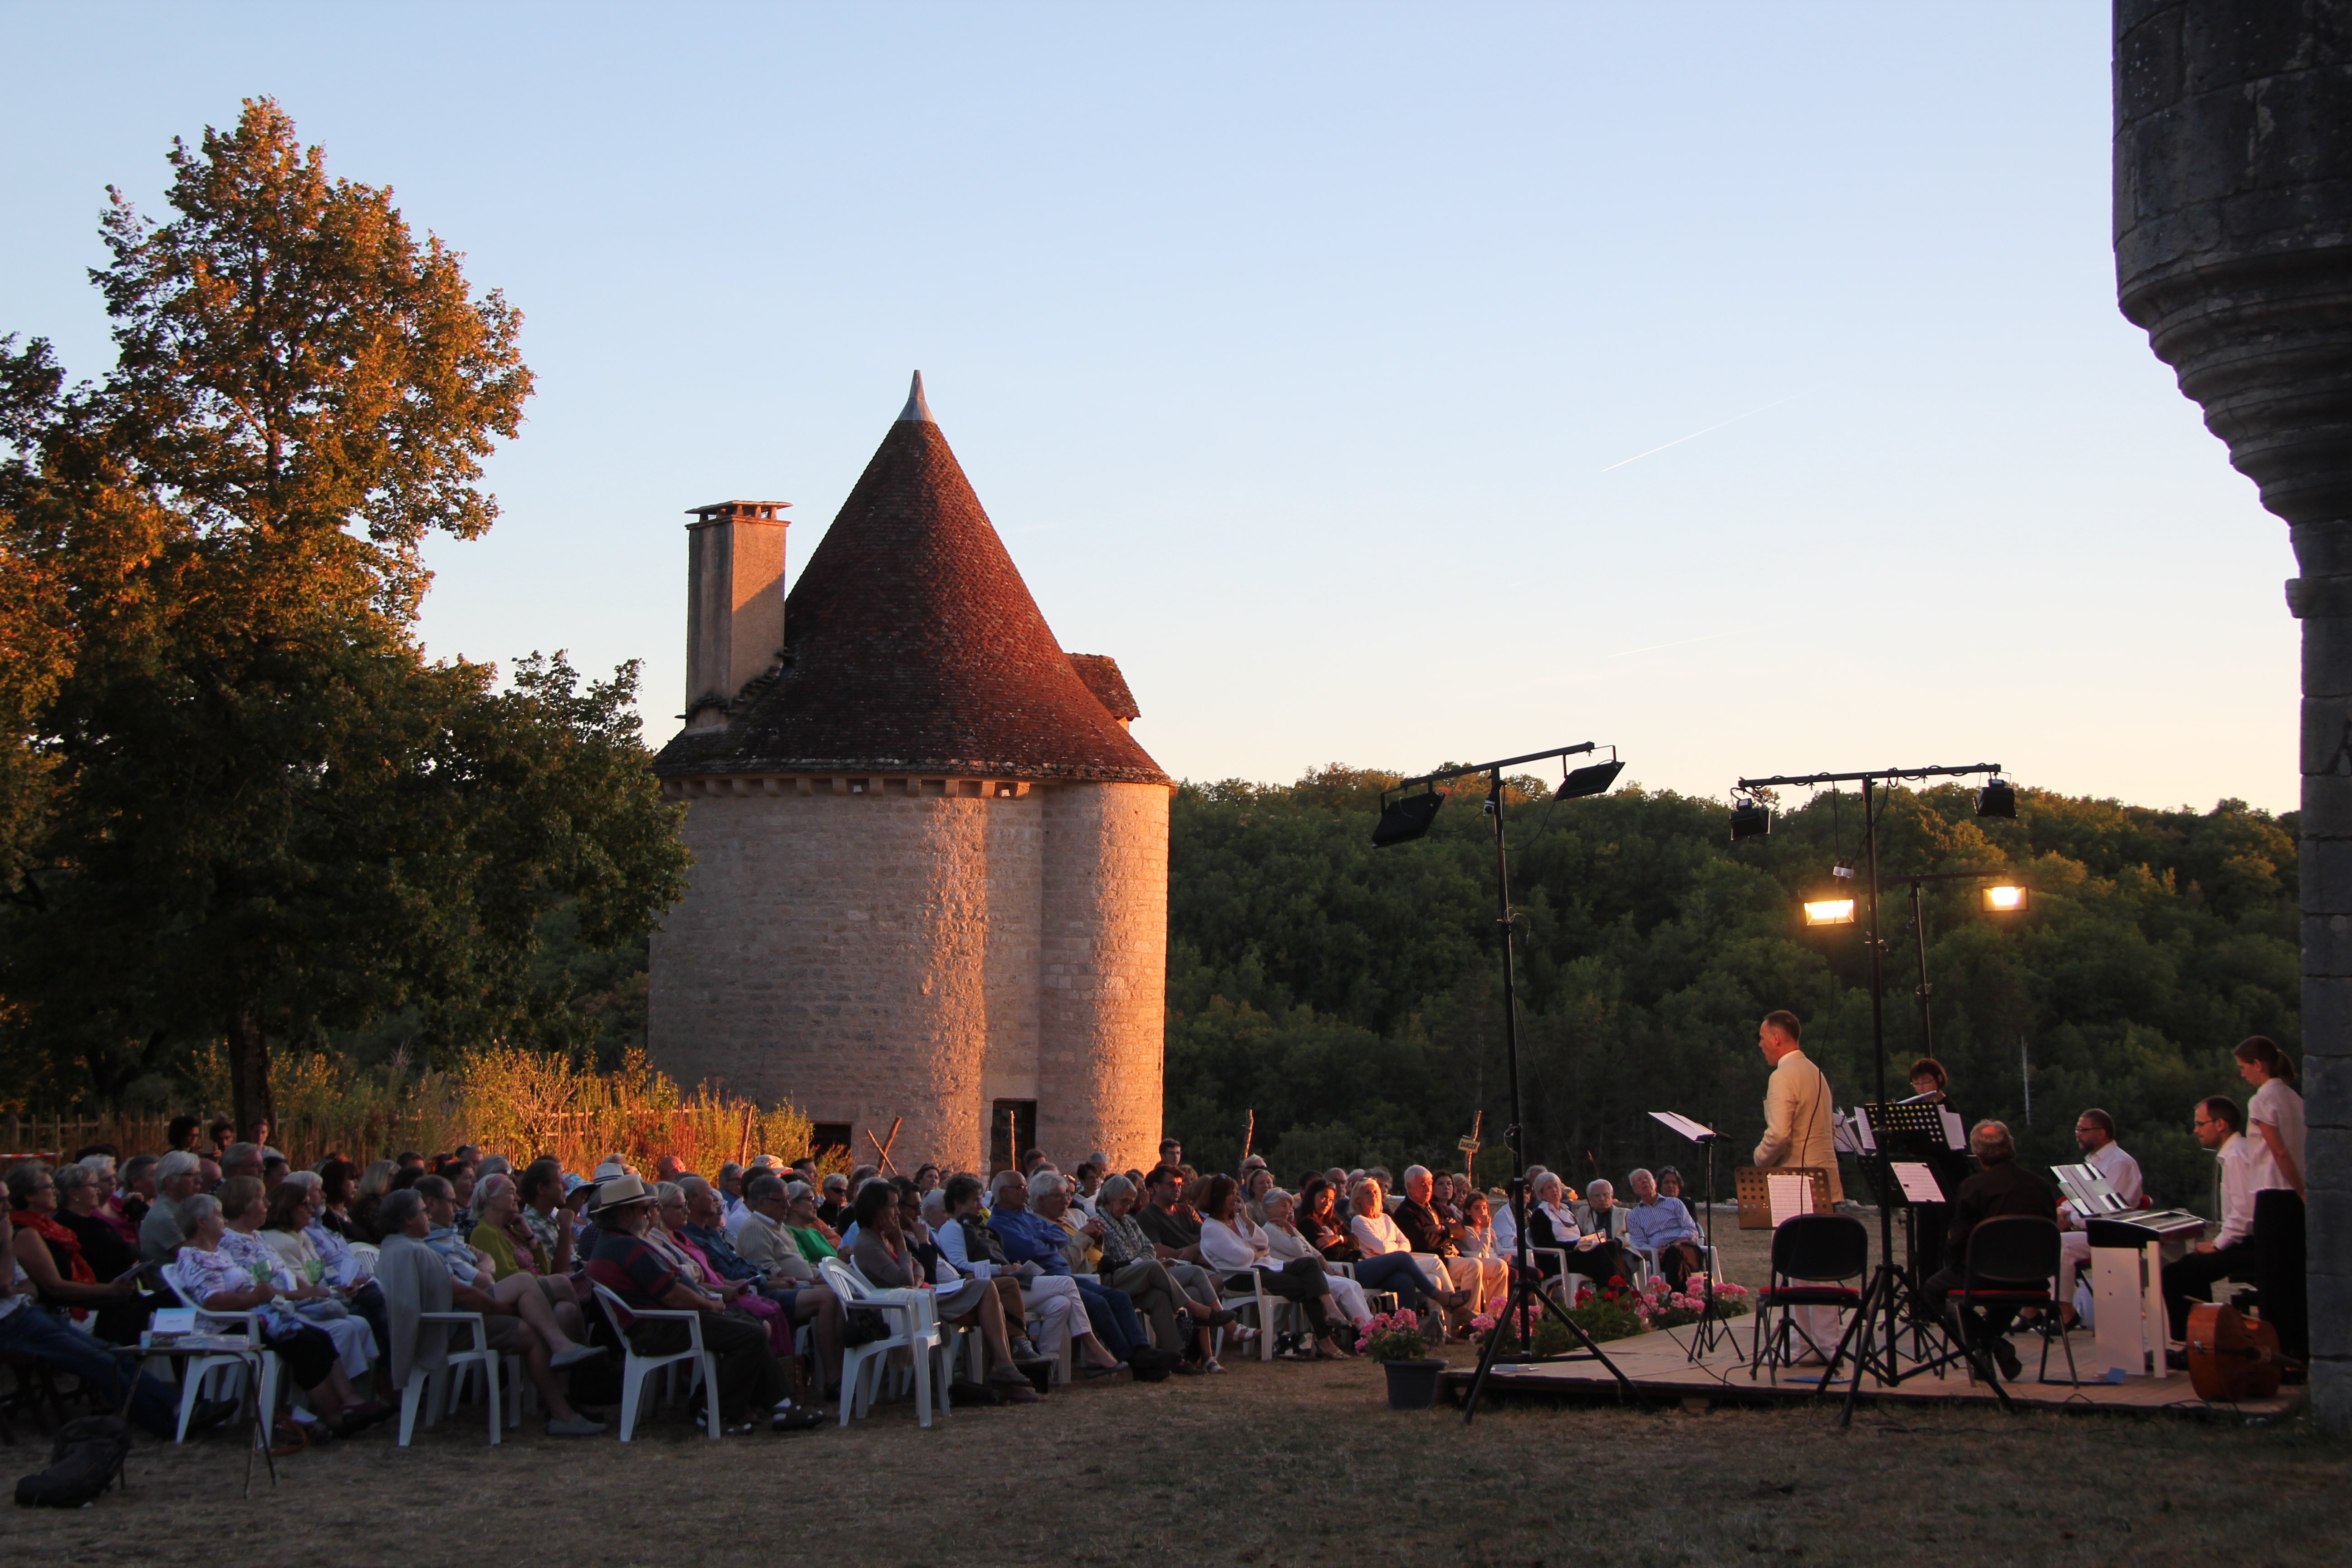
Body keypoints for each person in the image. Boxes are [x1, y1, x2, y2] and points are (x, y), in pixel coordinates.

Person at [583, 1174, 807, 1434]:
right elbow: (671, 1294)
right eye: (645, 1209)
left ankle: (777, 1406)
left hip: (663, 1323)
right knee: (751, 1334)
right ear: (624, 1214)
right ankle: (718, 1413)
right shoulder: (627, 1248)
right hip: (662, 1327)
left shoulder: (616, 1243)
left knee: (748, 1324)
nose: (649, 1216)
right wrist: (708, 1304)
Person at [174, 1187, 390, 1438]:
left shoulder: (218, 1253)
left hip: (259, 1314)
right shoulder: (195, 1257)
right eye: (219, 1216)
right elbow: (213, 1302)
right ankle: (335, 1415)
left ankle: (351, 1402)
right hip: (230, 1323)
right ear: (201, 1223)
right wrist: (254, 1297)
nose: (224, 1221)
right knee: (304, 1344)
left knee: (319, 1337)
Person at [0, 1207, 195, 1438]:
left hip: (29, 1312)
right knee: (100, 1360)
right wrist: (5, 1245)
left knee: (114, 1352)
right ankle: (166, 1423)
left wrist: (11, 1288)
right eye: (1, 1202)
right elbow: (6, 1284)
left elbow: (29, 1289)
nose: (6, 1210)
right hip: (10, 1324)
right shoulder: (10, 1239)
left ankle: (180, 1409)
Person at [847, 1178, 1038, 1401]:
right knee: (987, 1289)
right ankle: (1005, 1368)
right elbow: (905, 1280)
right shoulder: (869, 1243)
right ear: (876, 1208)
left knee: (995, 1292)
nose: (896, 1214)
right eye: (892, 1207)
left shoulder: (881, 1238)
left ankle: (1005, 1370)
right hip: (909, 1308)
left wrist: (914, 1274)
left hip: (921, 1296)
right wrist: (901, 1245)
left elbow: (916, 1268)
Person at [1918, 1121, 2057, 1382]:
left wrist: (1956, 1264)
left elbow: (1958, 1241)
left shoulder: (1973, 1187)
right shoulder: (2040, 1186)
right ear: (2011, 1147)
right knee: (2011, 1291)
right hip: (2034, 1275)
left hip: (1985, 1274)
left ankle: (1992, 1345)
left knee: (1933, 1289)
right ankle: (1991, 1344)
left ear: (1978, 1155)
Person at [681, 1174, 843, 1396]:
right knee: (829, 1298)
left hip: (769, 1286)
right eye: (782, 1201)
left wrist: (816, 1277)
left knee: (839, 1293)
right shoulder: (755, 1228)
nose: (788, 1205)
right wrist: (793, 1281)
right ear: (762, 1203)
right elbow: (753, 1271)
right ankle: (832, 1378)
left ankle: (834, 1373)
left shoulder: (776, 1227)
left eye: (788, 1199)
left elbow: (747, 1267)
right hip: (762, 1292)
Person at [988, 1171, 1135, 1374]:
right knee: (1094, 1301)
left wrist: (1042, 1239)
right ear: (1004, 1193)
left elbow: (1058, 1234)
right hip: (1041, 1280)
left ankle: (1047, 1364)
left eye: (1026, 1187)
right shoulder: (1000, 1224)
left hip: (1065, 1276)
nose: (1026, 1192)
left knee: (1117, 1297)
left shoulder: (1026, 1216)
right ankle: (1109, 1354)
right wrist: (1045, 1240)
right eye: (1020, 1188)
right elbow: (1030, 1251)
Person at [1199, 1174, 1350, 1358]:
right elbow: (1240, 1258)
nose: (1238, 1199)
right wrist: (1260, 1253)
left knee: (1309, 1264)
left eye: (1237, 1193)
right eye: (1232, 1194)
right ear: (1217, 1197)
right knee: (1308, 1286)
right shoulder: (1211, 1228)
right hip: (1242, 1277)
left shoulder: (1237, 1220)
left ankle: (1332, 1313)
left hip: (1266, 1267)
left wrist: (1247, 1221)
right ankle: (1325, 1340)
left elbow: (1264, 1240)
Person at [1093, 1174, 1227, 1367]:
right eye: (1124, 1202)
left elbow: (1149, 1249)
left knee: (1159, 1298)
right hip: (1112, 1279)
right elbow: (1107, 1261)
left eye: (1131, 1203)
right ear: (1109, 1198)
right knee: (1154, 1266)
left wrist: (1139, 1261)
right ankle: (1197, 1309)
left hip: (1139, 1277)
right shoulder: (1098, 1222)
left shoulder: (1130, 1222)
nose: (1127, 1207)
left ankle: (1178, 1358)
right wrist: (1138, 1263)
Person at [2161, 1095, 2262, 1349]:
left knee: (2176, 1274)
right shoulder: (2237, 1152)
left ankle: (2193, 1346)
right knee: (2190, 1268)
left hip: (2250, 1245)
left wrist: (2218, 1244)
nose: (2196, 1130)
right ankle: (2201, 1342)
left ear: (2221, 1124)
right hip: (2247, 1241)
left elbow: (2244, 1214)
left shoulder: (2236, 1156)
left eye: (2200, 1124)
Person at [6, 1162, 147, 1339]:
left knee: (148, 1320)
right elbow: (55, 1287)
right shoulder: (26, 1233)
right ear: (30, 1196)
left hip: (82, 1304)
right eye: (50, 1188)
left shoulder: (49, 1227)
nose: (56, 1192)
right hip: (65, 1313)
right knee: (145, 1324)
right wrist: (109, 1290)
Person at [2235, 1035, 2308, 1362]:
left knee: (2275, 1278)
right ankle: (2298, 1346)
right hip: (2292, 1196)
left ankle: (2281, 1352)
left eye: (2243, 1068)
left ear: (2258, 1066)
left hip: (2276, 1193)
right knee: (2293, 1274)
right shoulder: (2294, 1097)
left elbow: (2278, 1150)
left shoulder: (2262, 1100)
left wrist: (2300, 1188)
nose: (2242, 1075)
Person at [2055, 1109, 2144, 1323]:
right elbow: (2076, 1199)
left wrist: (2069, 1219)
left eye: (2083, 1130)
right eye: (2078, 1130)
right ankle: (2034, 1309)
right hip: (2092, 1231)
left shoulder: (2119, 1163)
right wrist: (2062, 1212)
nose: (2078, 1134)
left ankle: (2065, 1310)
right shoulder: (2094, 1161)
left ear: (2102, 1133)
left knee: (2058, 1244)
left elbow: (2107, 1211)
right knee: (2040, 1238)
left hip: (2113, 1234)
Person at [1259, 1188, 1375, 1337]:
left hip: (1316, 1273)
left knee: (1354, 1285)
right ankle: (1369, 1334)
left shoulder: (1288, 1230)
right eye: (1283, 1206)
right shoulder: (1269, 1230)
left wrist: (1327, 1266)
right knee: (1345, 1288)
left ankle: (1371, 1329)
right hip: (1302, 1278)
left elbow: (1314, 1251)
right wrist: (1289, 1227)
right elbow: (1298, 1251)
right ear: (1269, 1207)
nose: (1288, 1211)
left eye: (1290, 1207)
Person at [1754, 1010, 1842, 1203]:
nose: (1760, 1045)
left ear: (1776, 1039)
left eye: (1762, 1038)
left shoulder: (1782, 1076)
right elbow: (1831, 1129)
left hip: (1799, 1187)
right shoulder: (1816, 1072)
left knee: (1792, 1235)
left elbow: (1778, 1135)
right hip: (1826, 1183)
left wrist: (1759, 1159)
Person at [1396, 1165, 1505, 1320]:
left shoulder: (1436, 1207)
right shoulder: (1405, 1212)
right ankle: (1471, 1319)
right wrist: (1449, 1231)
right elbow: (1424, 1242)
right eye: (1423, 1184)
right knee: (1474, 1265)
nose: (1428, 1188)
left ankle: (1496, 1315)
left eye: (1430, 1183)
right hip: (1437, 1260)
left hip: (1457, 1256)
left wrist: (1442, 1229)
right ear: (1409, 1186)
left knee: (1499, 1266)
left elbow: (1461, 1232)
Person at [1346, 1178, 1457, 1323]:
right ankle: (1449, 1300)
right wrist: (1395, 1248)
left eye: (1375, 1192)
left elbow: (1406, 1244)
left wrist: (1392, 1249)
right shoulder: (1359, 1220)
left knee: (1408, 1281)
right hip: (1372, 1269)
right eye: (1367, 1193)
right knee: (1427, 1262)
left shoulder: (1386, 1218)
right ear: (1358, 1199)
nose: (1373, 1195)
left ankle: (1413, 1328)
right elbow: (1383, 1248)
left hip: (1392, 1269)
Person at [1625, 1168, 1705, 1290]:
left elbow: (1690, 1229)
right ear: (1634, 1189)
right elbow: (1640, 1244)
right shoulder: (1633, 1216)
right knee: (1674, 1259)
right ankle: (1682, 1300)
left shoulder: (1675, 1203)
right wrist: (1656, 1254)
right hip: (1660, 1258)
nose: (1645, 1182)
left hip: (1687, 1251)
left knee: (1673, 1252)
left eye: (1647, 1178)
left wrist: (1670, 1247)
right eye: (1639, 1180)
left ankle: (1676, 1299)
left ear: (1655, 1183)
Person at [139, 1150, 203, 1266]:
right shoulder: (164, 1216)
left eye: (199, 1174)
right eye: (192, 1175)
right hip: (172, 1283)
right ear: (170, 1182)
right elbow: (195, 1258)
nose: (199, 1180)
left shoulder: (184, 1207)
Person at [1572, 1179, 1637, 1290]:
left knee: (1619, 1260)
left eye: (1605, 1195)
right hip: (1597, 1253)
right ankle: (1612, 1294)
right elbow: (1579, 1234)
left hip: (1623, 1250)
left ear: (1612, 1195)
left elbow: (1634, 1235)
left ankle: (1621, 1292)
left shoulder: (1626, 1213)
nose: (1602, 1198)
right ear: (1590, 1199)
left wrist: (1618, 1242)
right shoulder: (1585, 1213)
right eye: (1597, 1196)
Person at [349, 1158, 397, 1243]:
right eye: (393, 1176)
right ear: (380, 1178)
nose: (397, 1181)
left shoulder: (389, 1203)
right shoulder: (368, 1206)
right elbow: (381, 1235)